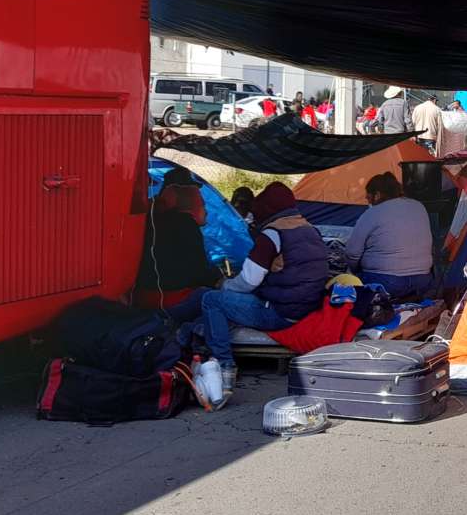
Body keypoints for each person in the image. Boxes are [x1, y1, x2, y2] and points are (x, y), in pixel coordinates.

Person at [192, 183, 330, 404]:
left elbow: (248, 280)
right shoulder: (309, 229)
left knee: (212, 300)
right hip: (306, 308)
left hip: (280, 313)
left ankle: (224, 366)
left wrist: (224, 285)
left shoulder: (272, 234)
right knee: (222, 310)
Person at [135, 169, 221, 314]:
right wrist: (218, 280)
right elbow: (197, 271)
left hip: (141, 296)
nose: (205, 209)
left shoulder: (151, 215)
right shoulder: (185, 223)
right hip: (170, 299)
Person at [345, 173, 434, 300]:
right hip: (423, 280)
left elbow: (352, 253)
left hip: (387, 282)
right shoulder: (419, 206)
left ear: (378, 195)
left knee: (346, 281)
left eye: (368, 198)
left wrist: (354, 270)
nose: (367, 200)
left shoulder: (372, 213)